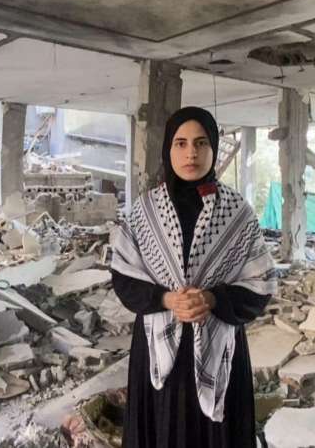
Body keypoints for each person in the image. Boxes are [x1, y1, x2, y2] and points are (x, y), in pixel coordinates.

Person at [111, 106, 277, 448]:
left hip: (220, 341)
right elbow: (124, 277)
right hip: (157, 347)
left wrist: (212, 299)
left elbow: (260, 285)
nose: (191, 153)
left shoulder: (237, 213)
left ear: (213, 149)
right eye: (181, 143)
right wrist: (167, 299)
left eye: (201, 143)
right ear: (168, 150)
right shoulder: (145, 212)